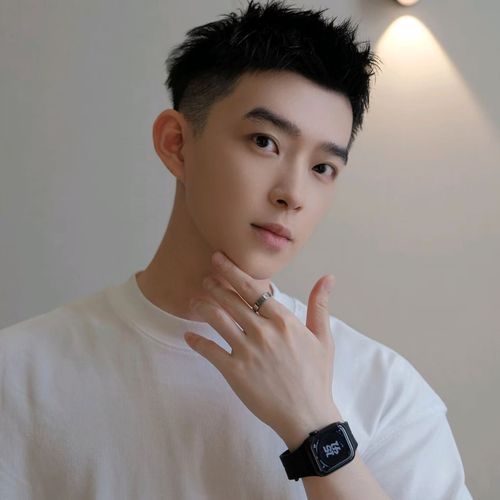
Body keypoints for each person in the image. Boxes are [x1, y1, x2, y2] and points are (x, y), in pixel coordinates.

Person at [0, 1, 473, 499]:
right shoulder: (21, 373)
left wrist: (314, 424)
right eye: (265, 142)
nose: (293, 194)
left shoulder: (388, 394)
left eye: (322, 168)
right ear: (176, 144)